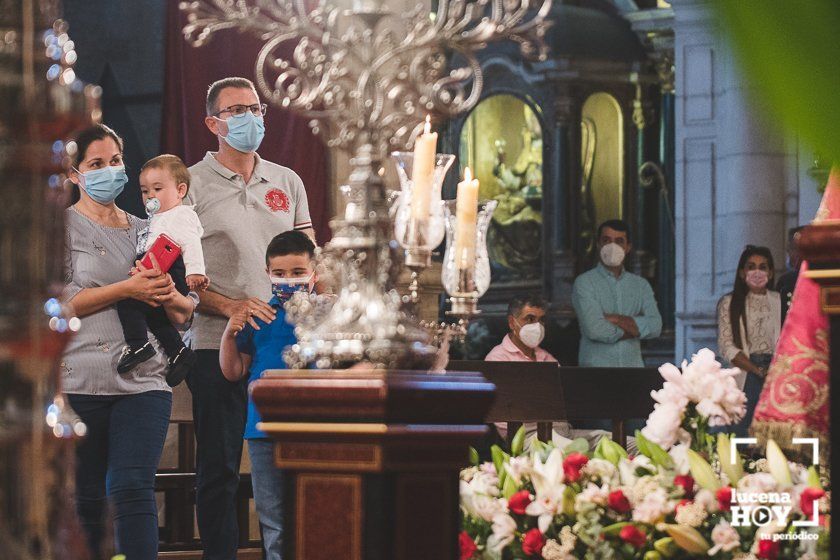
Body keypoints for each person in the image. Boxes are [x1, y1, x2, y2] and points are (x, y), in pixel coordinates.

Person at [185, 76, 314, 559]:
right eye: (236, 111)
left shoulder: (287, 180)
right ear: (212, 123)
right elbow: (177, 272)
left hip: (281, 348)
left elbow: (309, 256)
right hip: (214, 340)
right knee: (218, 469)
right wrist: (232, 307)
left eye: (255, 108)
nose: (249, 118)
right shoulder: (191, 183)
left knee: (289, 463)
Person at [62, 124, 196, 559]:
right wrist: (126, 290)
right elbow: (61, 305)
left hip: (143, 381)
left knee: (132, 488)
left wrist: (172, 294)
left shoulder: (149, 227)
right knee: (85, 498)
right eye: (96, 164)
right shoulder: (59, 228)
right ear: (73, 174)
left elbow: (180, 311)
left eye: (115, 161)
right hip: (79, 380)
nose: (109, 171)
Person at [219, 231, 316, 560]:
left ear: (314, 272)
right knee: (274, 518)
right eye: (280, 273)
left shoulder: (327, 318)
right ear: (268, 273)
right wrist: (228, 335)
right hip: (264, 429)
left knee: (315, 513)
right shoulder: (259, 315)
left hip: (315, 428)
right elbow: (234, 371)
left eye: (298, 272)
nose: (289, 280)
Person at [115, 155, 206, 386]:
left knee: (128, 301)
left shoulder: (182, 214)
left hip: (171, 266)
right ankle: (178, 352)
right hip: (156, 263)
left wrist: (194, 272)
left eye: (157, 188)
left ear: (180, 190)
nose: (150, 196)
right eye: (145, 191)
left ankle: (139, 344)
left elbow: (191, 243)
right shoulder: (156, 218)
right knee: (154, 314)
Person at [572, 219, 662, 367]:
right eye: (607, 240)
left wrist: (615, 319)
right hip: (594, 373)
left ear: (628, 247)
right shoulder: (584, 282)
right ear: (598, 244)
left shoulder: (641, 285)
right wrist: (634, 329)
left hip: (633, 372)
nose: (612, 247)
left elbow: (655, 326)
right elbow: (594, 329)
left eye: (619, 241)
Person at [717, 245, 781, 436]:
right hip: (747, 371)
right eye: (751, 266)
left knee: (773, 433)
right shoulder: (730, 302)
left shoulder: (779, 301)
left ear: (770, 272)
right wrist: (756, 369)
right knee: (743, 434)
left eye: (763, 267)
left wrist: (775, 369)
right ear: (742, 272)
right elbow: (726, 346)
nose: (757, 272)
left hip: (776, 370)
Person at [486, 294, 557, 363]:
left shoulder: (545, 357)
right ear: (512, 322)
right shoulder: (497, 359)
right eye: (530, 319)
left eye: (541, 320)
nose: (538, 326)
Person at [776, 226, 804, 324]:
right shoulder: (785, 281)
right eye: (789, 249)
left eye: (793, 248)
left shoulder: (822, 278)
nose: (790, 253)